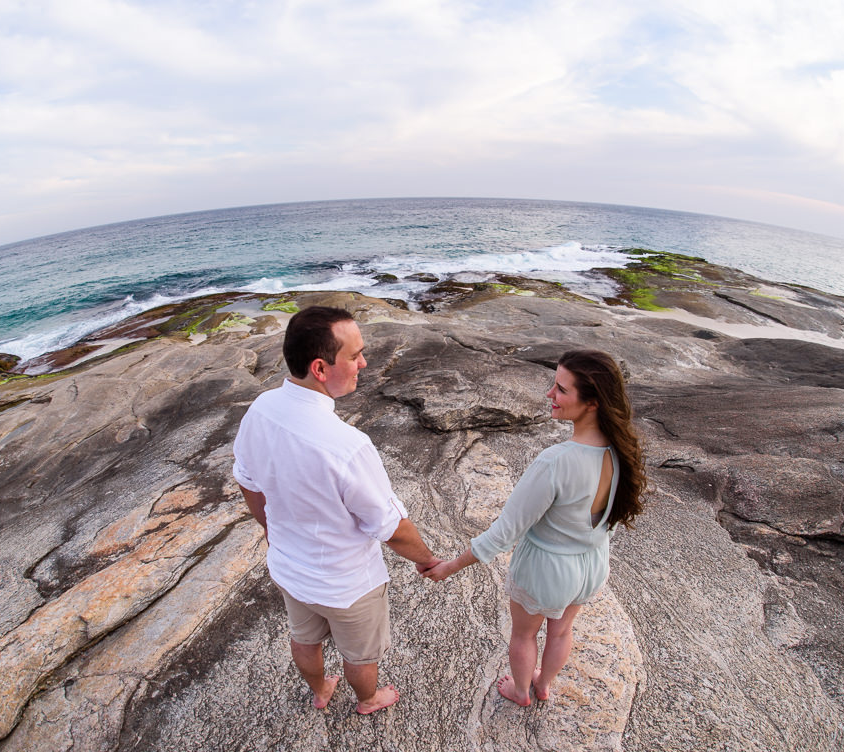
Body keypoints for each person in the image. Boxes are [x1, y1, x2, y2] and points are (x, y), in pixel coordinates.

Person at [232, 305, 441, 714]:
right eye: (354, 355)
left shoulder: (260, 410)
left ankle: (321, 690)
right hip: (348, 583)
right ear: (320, 368)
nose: (363, 362)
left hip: (290, 569)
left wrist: (270, 529)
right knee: (361, 654)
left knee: (304, 639)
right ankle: (368, 699)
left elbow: (247, 481)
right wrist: (427, 559)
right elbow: (391, 527)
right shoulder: (346, 446)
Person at [423, 349, 646, 706]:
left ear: (591, 403)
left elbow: (505, 531)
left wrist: (450, 566)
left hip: (547, 567)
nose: (549, 395)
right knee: (562, 631)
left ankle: (520, 690)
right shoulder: (622, 451)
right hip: (592, 564)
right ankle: (544, 684)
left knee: (524, 636)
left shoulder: (556, 461)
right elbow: (610, 520)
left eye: (561, 389)